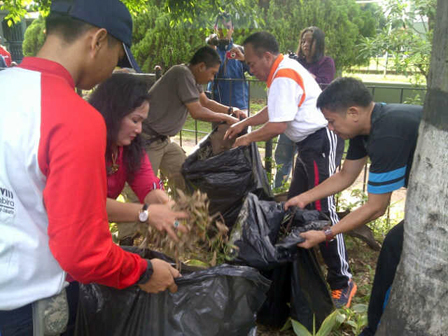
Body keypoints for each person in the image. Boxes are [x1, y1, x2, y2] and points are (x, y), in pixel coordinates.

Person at [0, 0, 181, 334]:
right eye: (116, 57)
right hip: (26, 310)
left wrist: (153, 197)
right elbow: (82, 251)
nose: (113, 69)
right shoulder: (75, 118)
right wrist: (143, 272)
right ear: (97, 40)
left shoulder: (5, 85)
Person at [224, 31, 355, 308]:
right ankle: (284, 261)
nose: (250, 69)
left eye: (251, 63)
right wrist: (242, 124)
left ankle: (342, 280)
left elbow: (277, 126)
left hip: (320, 141)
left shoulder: (283, 74)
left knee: (323, 206)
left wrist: (245, 137)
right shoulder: (281, 72)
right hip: (307, 146)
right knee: (294, 204)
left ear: (267, 56)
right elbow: (275, 113)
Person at [284, 77, 422, 335]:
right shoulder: (366, 127)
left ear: (353, 112)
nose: (330, 127)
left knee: (395, 246)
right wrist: (304, 197)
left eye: (332, 121)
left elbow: (376, 208)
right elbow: (346, 175)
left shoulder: (387, 134)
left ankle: (376, 329)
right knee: (395, 245)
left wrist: (326, 233)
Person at [88, 73, 188, 246]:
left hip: (94, 232)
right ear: (113, 112)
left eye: (142, 122)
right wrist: (146, 213)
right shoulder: (85, 144)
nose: (139, 129)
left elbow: (146, 184)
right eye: (135, 120)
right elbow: (87, 204)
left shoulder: (129, 147)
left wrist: (166, 204)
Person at [142, 46, 243, 192]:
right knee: (143, 192)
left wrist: (231, 110)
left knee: (186, 178)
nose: (212, 78)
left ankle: (182, 212)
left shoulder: (192, 78)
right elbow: (197, 111)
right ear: (201, 67)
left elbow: (206, 102)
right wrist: (227, 118)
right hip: (147, 140)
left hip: (163, 140)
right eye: (213, 73)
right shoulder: (182, 74)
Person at [274, 26, 337, 189]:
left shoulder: (326, 62)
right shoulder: (297, 62)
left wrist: (299, 71)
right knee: (282, 158)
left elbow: (324, 83)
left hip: (312, 122)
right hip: (291, 118)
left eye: (310, 41)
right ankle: (278, 189)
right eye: (303, 41)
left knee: (309, 165)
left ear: (319, 44)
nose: (305, 45)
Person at [206, 12, 250, 111]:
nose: (224, 31)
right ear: (215, 29)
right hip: (218, 106)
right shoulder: (210, 51)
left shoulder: (240, 50)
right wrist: (212, 52)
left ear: (232, 29)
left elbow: (253, 71)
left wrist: (243, 59)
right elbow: (205, 74)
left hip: (240, 106)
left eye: (227, 27)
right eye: (221, 28)